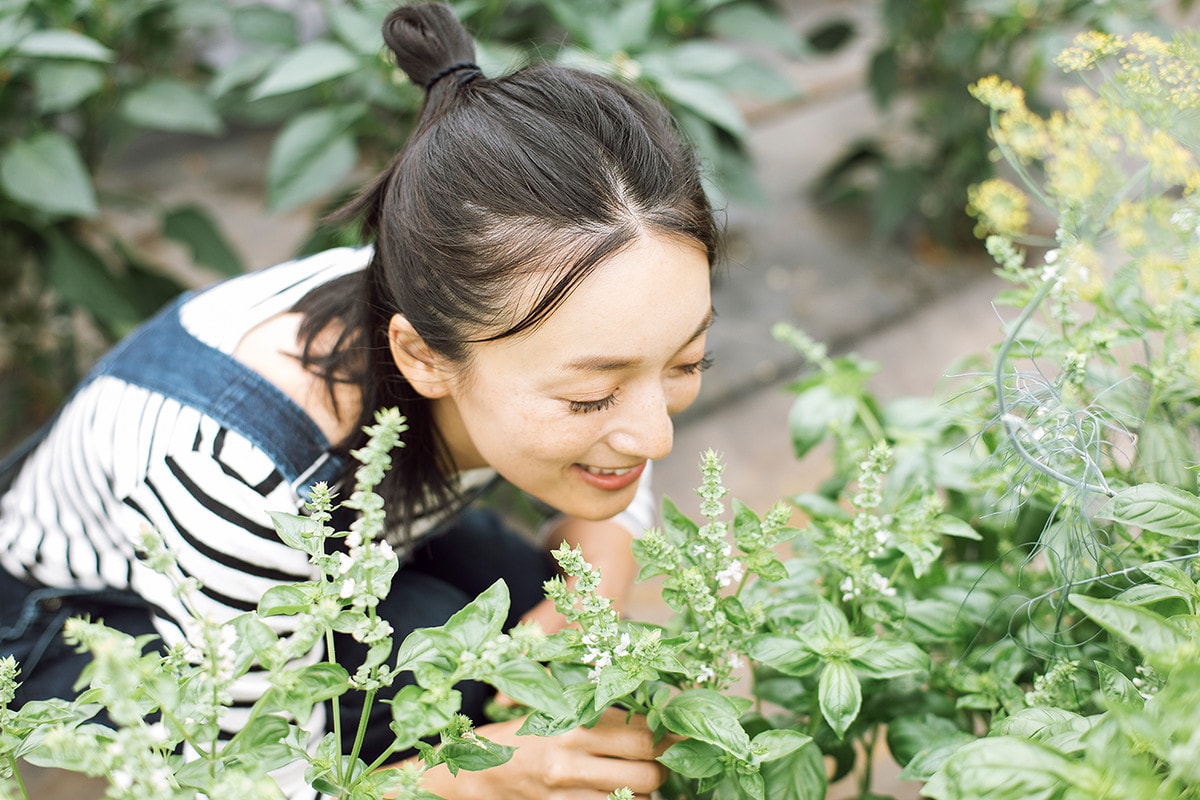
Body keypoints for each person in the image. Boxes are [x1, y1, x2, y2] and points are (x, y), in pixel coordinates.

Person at [0, 2, 718, 797]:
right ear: (423, 354)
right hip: (97, 613)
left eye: (688, 361)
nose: (654, 435)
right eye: (591, 397)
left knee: (528, 615)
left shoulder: (475, 288)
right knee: (447, 683)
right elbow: (241, 777)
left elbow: (623, 419)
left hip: (359, 521)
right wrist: (482, 775)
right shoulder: (239, 477)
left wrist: (595, 582)